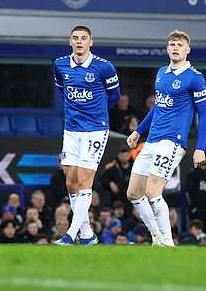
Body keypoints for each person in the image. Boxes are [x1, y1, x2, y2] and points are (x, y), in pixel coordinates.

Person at [125, 30, 206, 246]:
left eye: (180, 45)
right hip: (152, 139)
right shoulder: (162, 73)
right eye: (172, 44)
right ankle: (156, 236)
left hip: (172, 140)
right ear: (167, 48)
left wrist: (200, 148)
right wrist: (138, 131)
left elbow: (204, 114)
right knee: (134, 193)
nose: (175, 47)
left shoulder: (195, 78)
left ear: (187, 49)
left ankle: (168, 242)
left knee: (153, 191)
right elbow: (157, 108)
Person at [52, 25, 121, 246]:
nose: (79, 41)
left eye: (84, 38)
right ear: (69, 41)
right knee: (71, 181)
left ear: (91, 42)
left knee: (83, 179)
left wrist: (96, 111)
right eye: (75, 38)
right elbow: (62, 91)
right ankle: (88, 234)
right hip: (71, 129)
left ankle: (71, 233)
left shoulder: (104, 67)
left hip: (95, 129)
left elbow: (115, 96)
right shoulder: (60, 64)